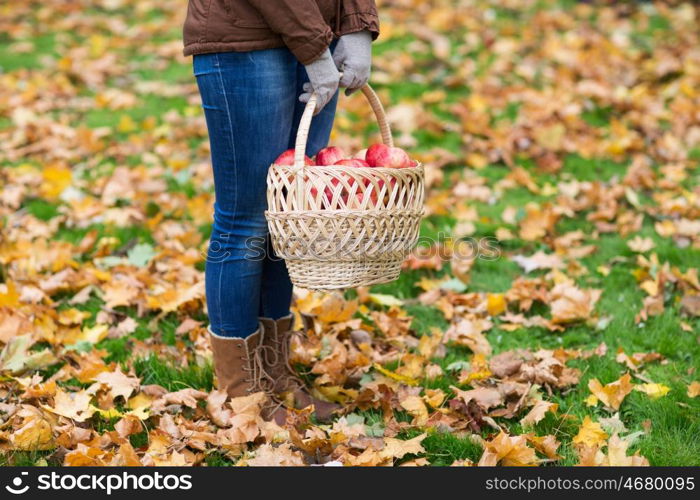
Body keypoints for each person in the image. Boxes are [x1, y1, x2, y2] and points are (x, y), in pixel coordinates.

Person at [183, 1, 379, 422]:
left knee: (287, 216)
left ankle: (273, 373)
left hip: (317, 39)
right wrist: (314, 45)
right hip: (246, 36)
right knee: (246, 219)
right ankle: (241, 393)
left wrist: (358, 27)